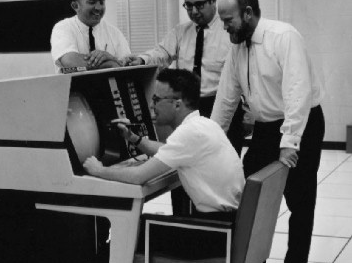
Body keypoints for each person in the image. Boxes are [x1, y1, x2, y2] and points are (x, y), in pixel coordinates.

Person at [211, 0, 325, 263]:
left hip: (302, 124)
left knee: (299, 200)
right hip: (265, 128)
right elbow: (226, 97)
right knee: (248, 192)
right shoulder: (237, 47)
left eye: (228, 20)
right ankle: (249, 257)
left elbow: (298, 92)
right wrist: (211, 138)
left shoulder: (284, 37)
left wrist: (289, 143)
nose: (224, 27)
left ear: (248, 13)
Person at [124, 0, 245, 216]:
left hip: (221, 105)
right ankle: (181, 221)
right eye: (188, 5)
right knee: (179, 168)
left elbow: (240, 78)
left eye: (199, 4)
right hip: (188, 106)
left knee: (212, 172)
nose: (193, 11)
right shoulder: (181, 32)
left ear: (213, 1)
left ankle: (209, 220)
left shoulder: (229, 35)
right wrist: (139, 59)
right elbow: (161, 53)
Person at [83, 68, 245, 217]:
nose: (151, 105)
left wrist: (98, 170)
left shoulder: (188, 133)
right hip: (230, 219)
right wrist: (135, 139)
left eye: (156, 99)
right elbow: (167, 150)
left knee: (139, 231)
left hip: (215, 226)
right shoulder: (204, 124)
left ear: (177, 104)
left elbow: (138, 177)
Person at [50, 0, 131, 73]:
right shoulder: (63, 28)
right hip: (75, 86)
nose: (98, 7)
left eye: (101, 2)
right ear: (75, 6)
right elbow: (70, 61)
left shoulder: (114, 32)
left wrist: (110, 57)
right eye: (92, 2)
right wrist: (110, 64)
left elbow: (127, 64)